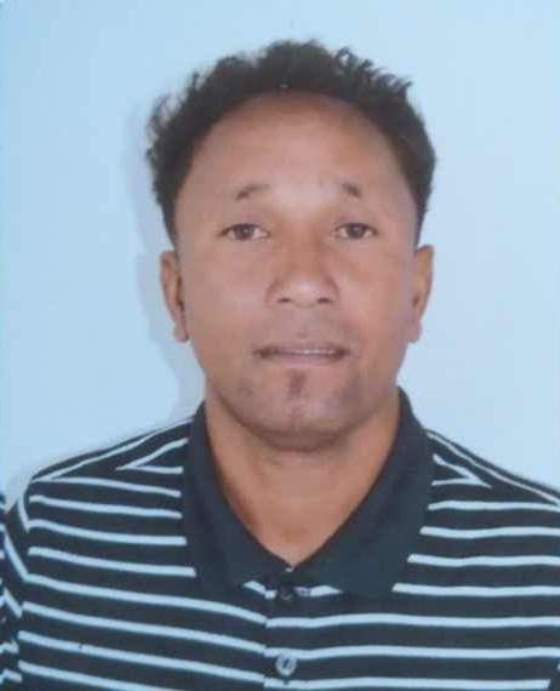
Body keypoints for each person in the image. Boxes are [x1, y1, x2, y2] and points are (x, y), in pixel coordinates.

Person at [3, 40, 560, 690]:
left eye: (352, 229)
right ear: (177, 294)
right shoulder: (46, 542)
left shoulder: (544, 575)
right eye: (247, 230)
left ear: (418, 291)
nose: (303, 281)